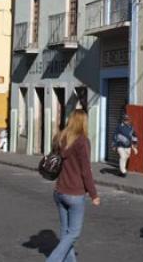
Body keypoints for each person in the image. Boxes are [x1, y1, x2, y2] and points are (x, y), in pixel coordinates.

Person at [47, 109, 99, 262]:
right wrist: (94, 194)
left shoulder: (60, 137)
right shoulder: (82, 141)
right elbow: (86, 171)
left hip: (59, 191)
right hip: (74, 193)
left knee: (65, 232)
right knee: (74, 233)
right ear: (83, 122)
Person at [112, 113, 138, 177]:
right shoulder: (119, 127)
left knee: (126, 157)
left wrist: (134, 145)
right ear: (123, 120)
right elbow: (115, 135)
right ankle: (123, 171)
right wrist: (114, 145)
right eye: (125, 119)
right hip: (120, 145)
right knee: (122, 157)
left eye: (127, 120)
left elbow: (134, 136)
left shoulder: (131, 127)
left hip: (128, 146)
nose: (126, 121)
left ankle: (121, 171)